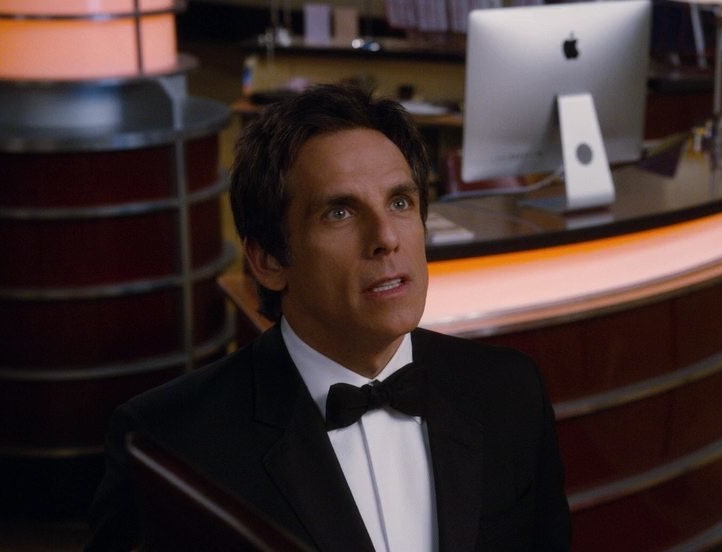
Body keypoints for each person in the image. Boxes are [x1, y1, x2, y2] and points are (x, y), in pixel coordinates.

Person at [87, 84, 572, 551]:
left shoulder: (510, 392)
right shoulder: (170, 443)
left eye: (400, 202)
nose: (386, 237)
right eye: (339, 213)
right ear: (268, 261)